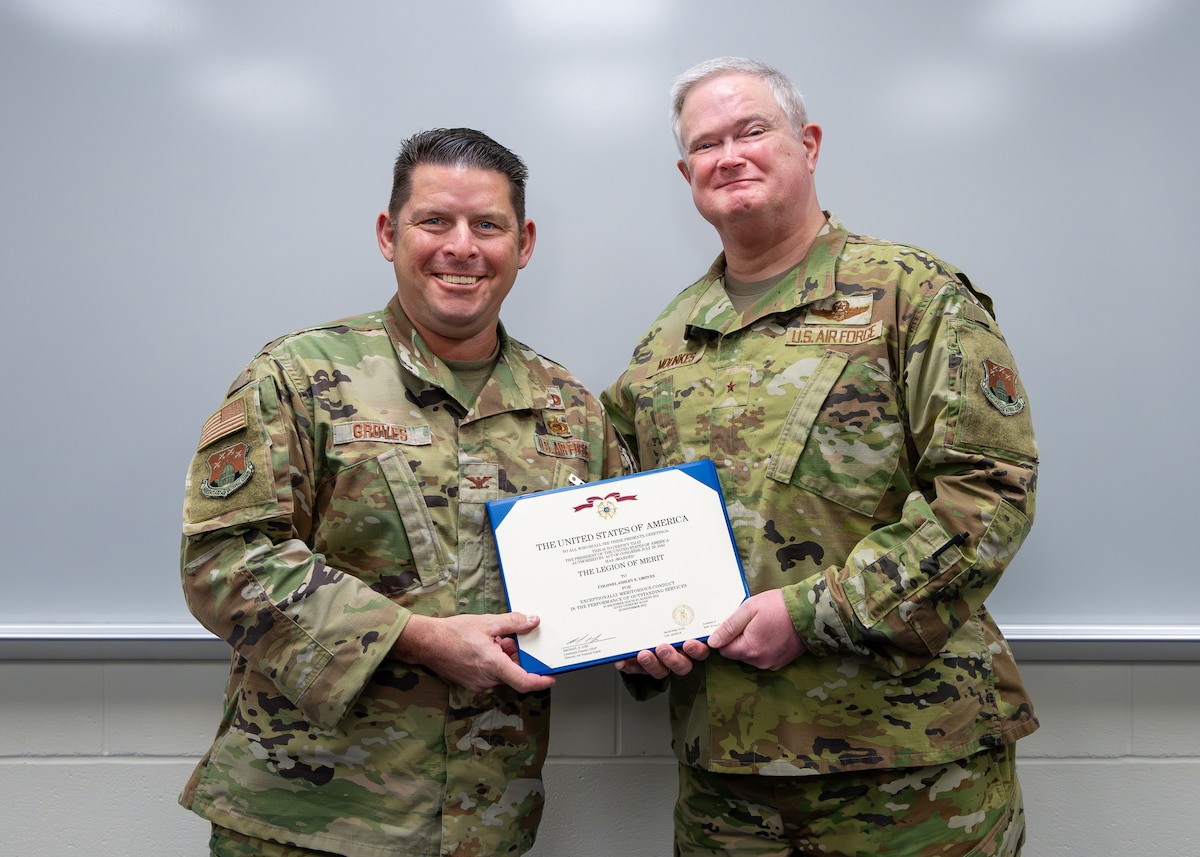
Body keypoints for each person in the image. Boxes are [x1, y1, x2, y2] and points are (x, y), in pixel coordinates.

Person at [603, 57, 1040, 856]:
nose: (728, 154)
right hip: (727, 784)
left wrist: (812, 614)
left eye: (752, 130)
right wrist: (632, 631)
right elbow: (621, 522)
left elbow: (988, 494)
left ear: (807, 143)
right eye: (706, 144)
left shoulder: (911, 294)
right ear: (686, 173)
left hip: (912, 774)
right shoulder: (664, 344)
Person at [179, 127, 629, 857]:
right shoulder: (298, 377)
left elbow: (618, 569)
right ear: (390, 234)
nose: (462, 246)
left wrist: (656, 633)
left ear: (525, 241)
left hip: (487, 821)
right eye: (435, 221)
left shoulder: (569, 406)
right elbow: (223, 561)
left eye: (488, 225)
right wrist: (418, 637)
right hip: (308, 821)